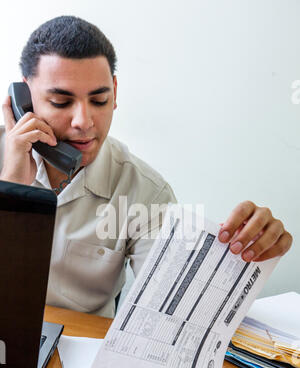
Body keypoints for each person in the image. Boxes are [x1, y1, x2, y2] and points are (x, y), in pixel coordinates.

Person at [0, 16, 293, 318]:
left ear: (114, 91)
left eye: (99, 100)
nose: (84, 122)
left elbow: (181, 309)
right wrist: (10, 189)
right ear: (26, 97)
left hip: (75, 351)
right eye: (61, 102)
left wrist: (243, 258)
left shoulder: (145, 192)